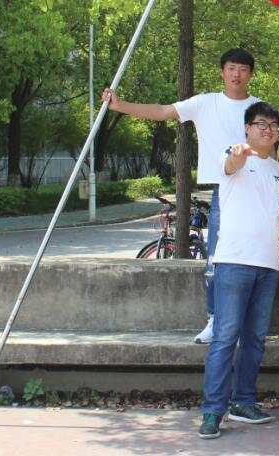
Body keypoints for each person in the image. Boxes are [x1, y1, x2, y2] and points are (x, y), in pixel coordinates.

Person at [103, 47, 259, 344]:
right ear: (222, 71)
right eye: (231, 68)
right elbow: (163, 111)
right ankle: (215, 320)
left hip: (253, 192)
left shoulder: (260, 108)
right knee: (216, 259)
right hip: (223, 191)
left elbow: (269, 152)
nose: (236, 74)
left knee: (250, 260)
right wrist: (120, 105)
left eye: (242, 69)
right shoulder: (204, 103)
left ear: (250, 74)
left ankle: (241, 324)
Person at [197, 101, 279, 440]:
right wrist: (238, 154)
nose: (268, 130)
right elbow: (230, 164)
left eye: (273, 125)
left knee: (255, 339)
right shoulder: (232, 156)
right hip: (234, 261)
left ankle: (244, 402)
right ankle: (212, 411)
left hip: (269, 263)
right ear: (247, 128)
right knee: (225, 337)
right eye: (261, 123)